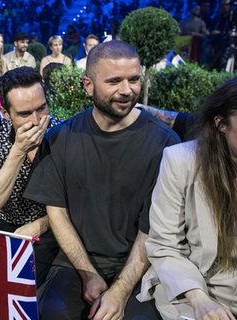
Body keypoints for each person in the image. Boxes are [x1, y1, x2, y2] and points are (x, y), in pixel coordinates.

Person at [24, 40, 180, 320]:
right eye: (114, 81)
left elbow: (153, 229)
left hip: (141, 264)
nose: (126, 90)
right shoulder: (61, 138)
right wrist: (89, 274)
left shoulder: (165, 144)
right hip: (75, 262)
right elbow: (57, 213)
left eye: (133, 79)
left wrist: (119, 292)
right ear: (88, 85)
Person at [139, 77, 237, 320]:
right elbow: (165, 245)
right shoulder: (181, 161)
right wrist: (199, 299)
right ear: (221, 124)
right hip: (194, 288)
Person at [0, 66, 60, 288]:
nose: (37, 120)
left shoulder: (62, 131)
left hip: (58, 226)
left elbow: (82, 197)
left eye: (42, 109)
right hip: (8, 227)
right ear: (5, 113)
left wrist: (43, 224)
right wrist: (18, 151)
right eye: (24, 114)